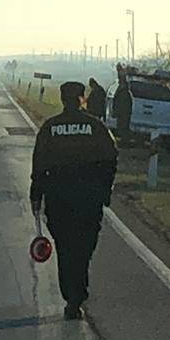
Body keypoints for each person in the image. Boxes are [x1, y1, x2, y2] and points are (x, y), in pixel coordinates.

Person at [30, 81, 118, 320]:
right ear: (82, 99)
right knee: (83, 249)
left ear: (62, 99)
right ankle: (77, 293)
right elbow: (111, 158)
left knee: (65, 249)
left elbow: (39, 165)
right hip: (89, 200)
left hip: (58, 200)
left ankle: (72, 295)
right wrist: (106, 190)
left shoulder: (50, 128)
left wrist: (36, 196)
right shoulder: (96, 126)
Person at [111, 76, 133, 141]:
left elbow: (121, 104)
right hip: (122, 114)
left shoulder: (124, 93)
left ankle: (124, 141)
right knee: (122, 127)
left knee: (123, 128)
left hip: (123, 114)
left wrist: (116, 111)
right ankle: (124, 140)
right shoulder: (123, 92)